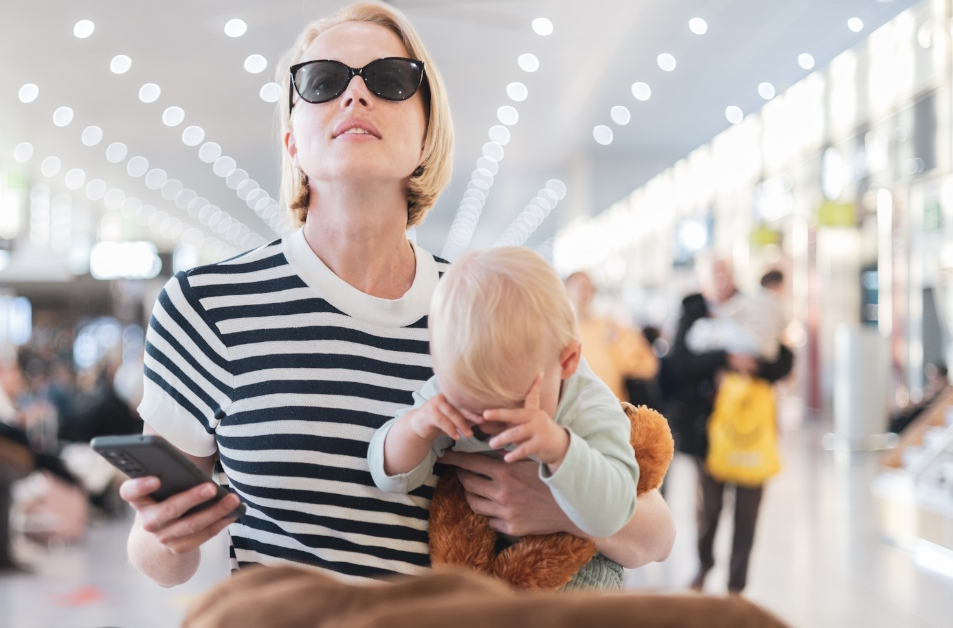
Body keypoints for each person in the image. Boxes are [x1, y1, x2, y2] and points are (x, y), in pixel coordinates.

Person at [122, 1, 674, 587]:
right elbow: (156, 555)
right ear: (292, 142)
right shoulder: (209, 306)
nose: (354, 97)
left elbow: (655, 536)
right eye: (322, 82)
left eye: (389, 81)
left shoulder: (485, 303)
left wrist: (559, 502)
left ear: (426, 134)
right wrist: (166, 536)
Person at [370, 248, 638, 587]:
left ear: (567, 361)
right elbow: (390, 476)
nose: (488, 429)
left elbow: (614, 514)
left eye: (511, 409)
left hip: (581, 580)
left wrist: (560, 449)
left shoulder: (590, 407)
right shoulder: (446, 393)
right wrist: (415, 429)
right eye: (470, 409)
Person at [667, 264, 794, 595]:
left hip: (753, 431)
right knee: (707, 510)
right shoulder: (692, 314)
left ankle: (736, 584)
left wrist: (756, 364)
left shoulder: (756, 307)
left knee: (747, 515)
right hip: (707, 432)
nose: (721, 281)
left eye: (725, 274)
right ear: (703, 280)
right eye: (714, 275)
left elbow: (784, 359)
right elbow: (678, 366)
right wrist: (725, 357)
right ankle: (704, 565)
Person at [564, 272, 659, 403]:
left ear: (593, 291)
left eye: (586, 287)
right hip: (575, 411)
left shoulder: (611, 327)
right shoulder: (561, 333)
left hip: (612, 408)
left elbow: (648, 366)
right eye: (577, 286)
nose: (582, 292)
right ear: (566, 291)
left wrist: (617, 345)